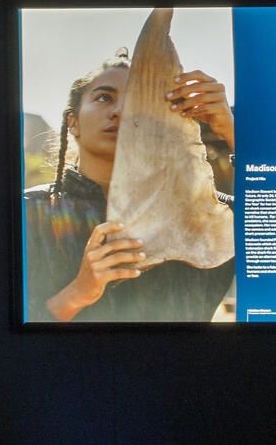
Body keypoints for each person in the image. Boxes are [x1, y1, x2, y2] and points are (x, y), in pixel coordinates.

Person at [24, 44, 237, 322]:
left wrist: (231, 132)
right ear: (72, 122)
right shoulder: (28, 212)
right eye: (104, 98)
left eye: (139, 100)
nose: (122, 110)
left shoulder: (209, 215)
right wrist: (78, 292)